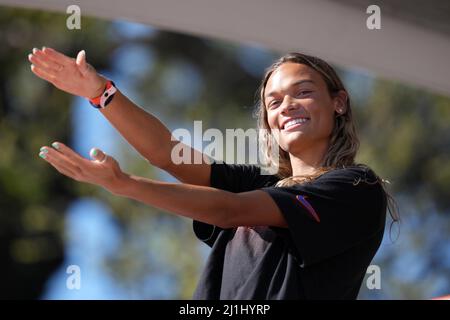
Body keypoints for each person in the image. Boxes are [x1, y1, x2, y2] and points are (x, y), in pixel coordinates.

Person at [28, 47, 398, 299]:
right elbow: (166, 152)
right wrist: (99, 92)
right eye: (274, 101)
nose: (286, 107)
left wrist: (124, 184)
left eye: (302, 92)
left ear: (339, 101)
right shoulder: (257, 185)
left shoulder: (355, 188)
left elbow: (229, 210)